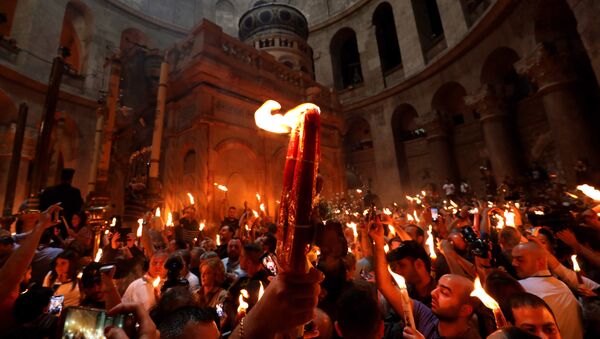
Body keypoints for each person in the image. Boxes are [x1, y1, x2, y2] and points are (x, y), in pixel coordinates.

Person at [370, 218, 481, 339]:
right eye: (437, 288)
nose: (433, 292)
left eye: (444, 292)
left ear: (465, 310)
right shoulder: (427, 318)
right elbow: (386, 286)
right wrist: (378, 241)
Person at [511, 242, 583, 339]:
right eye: (513, 259)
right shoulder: (563, 287)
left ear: (540, 262)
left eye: (520, 259)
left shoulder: (520, 288)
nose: (513, 263)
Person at [386, 240, 436, 307]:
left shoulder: (437, 298)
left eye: (401, 265)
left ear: (419, 265)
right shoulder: (405, 292)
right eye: (396, 266)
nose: (397, 271)